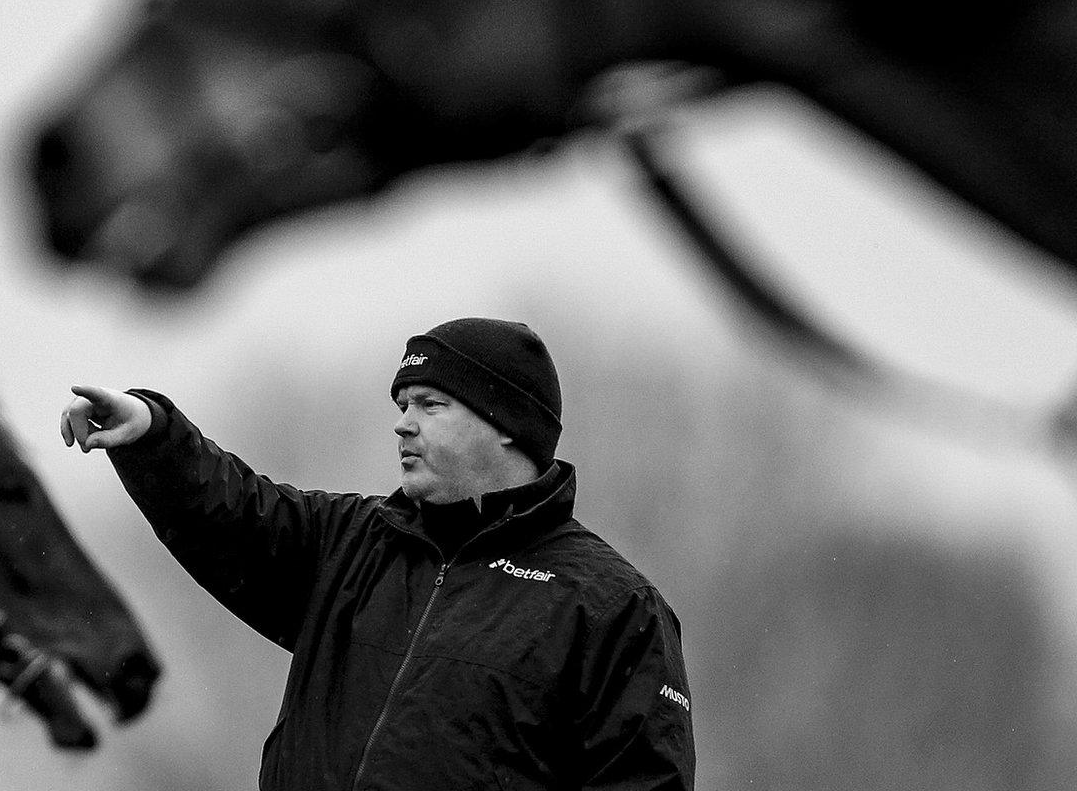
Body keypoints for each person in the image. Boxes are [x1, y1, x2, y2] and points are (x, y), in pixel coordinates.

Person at [61, 317, 694, 790]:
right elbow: (231, 513)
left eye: (430, 404)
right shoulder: (351, 543)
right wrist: (152, 436)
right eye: (402, 404)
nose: (403, 422)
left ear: (506, 425)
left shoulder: (616, 608)